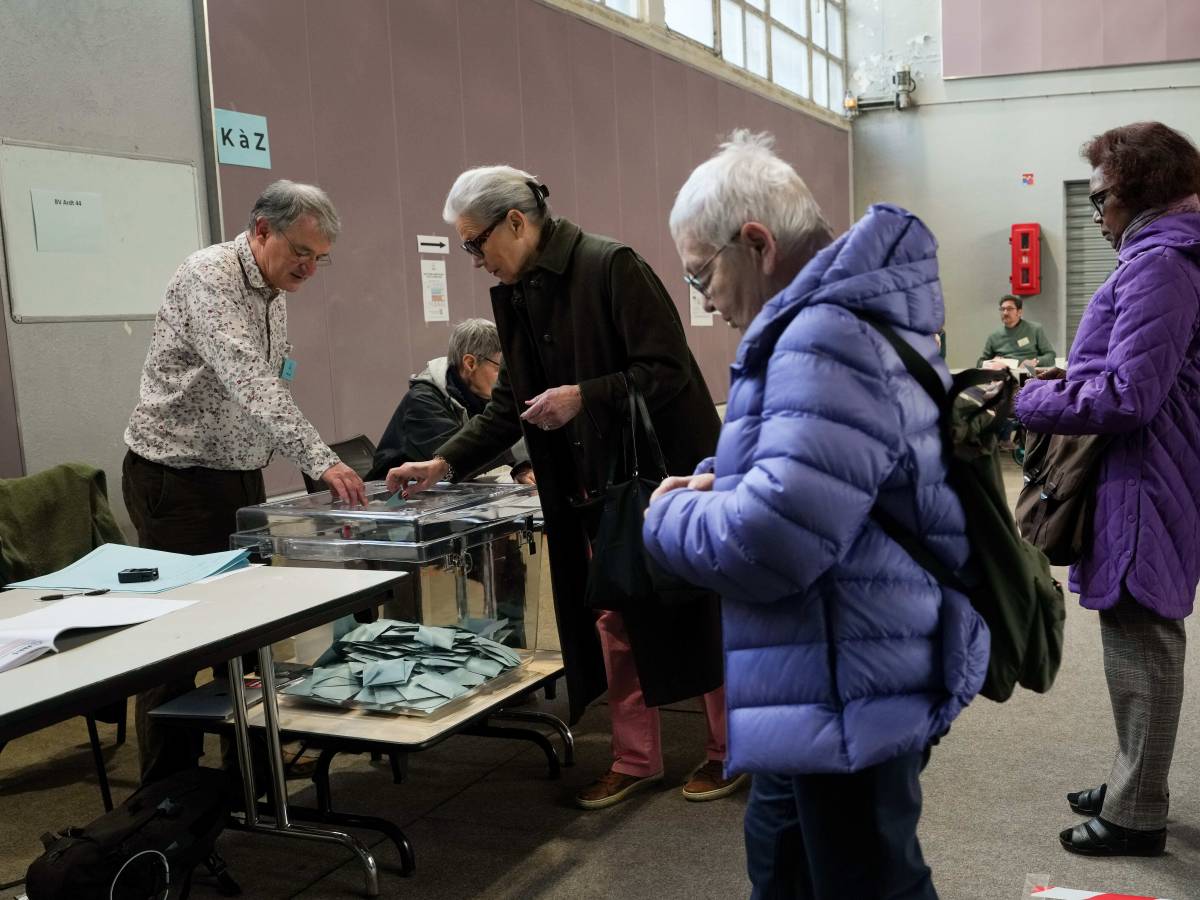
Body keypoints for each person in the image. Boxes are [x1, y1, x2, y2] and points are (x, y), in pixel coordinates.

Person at [643, 131, 989, 898]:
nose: (704, 298)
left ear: (757, 243)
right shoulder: (848, 316)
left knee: (861, 879)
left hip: (846, 676)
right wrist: (720, 478)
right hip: (831, 666)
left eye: (701, 274)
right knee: (795, 864)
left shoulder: (822, 334)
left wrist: (661, 518)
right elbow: (831, 470)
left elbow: (771, 539)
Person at [387, 166, 740, 809]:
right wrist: (443, 463)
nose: (474, 260)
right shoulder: (520, 293)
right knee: (615, 618)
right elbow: (514, 405)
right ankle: (636, 759)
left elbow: (668, 371)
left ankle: (731, 751)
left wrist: (585, 396)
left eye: (475, 244)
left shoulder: (613, 266)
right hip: (592, 491)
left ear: (516, 223)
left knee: (697, 611)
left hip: (665, 480)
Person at [123, 179, 366, 785]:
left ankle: (250, 770)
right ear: (261, 230)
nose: (309, 268)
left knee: (247, 631)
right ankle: (168, 795)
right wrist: (322, 459)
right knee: (176, 641)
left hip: (237, 477)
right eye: (302, 253)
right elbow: (250, 382)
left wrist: (310, 466)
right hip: (175, 479)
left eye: (320, 259)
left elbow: (272, 384)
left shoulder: (271, 289)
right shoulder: (209, 277)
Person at [1016, 121, 1200, 858]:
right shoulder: (1166, 253)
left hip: (1144, 476)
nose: (1096, 215)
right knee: (1135, 642)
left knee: (1144, 643)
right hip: (1148, 472)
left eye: (1101, 200)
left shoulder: (1161, 263)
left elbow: (1127, 396)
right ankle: (1134, 779)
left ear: (1139, 194)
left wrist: (1026, 402)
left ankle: (1136, 813)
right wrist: (1063, 382)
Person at [365, 317, 533, 483]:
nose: (509, 378)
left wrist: (521, 466)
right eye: (501, 368)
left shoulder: (479, 392)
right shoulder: (423, 401)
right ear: (470, 363)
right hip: (395, 499)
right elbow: (459, 461)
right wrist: (510, 438)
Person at [977, 294, 1056, 370]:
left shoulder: (1035, 329)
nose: (1005, 313)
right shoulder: (994, 336)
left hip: (1028, 372)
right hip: (1004, 375)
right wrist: (991, 363)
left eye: (1009, 309)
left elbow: (1051, 356)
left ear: (1019, 312)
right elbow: (980, 363)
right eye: (1002, 309)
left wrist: (1034, 361)